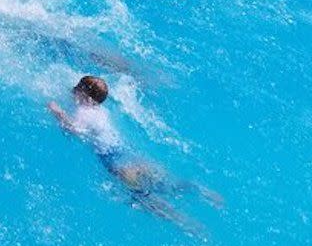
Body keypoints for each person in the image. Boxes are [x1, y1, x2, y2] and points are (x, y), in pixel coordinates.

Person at [47, 76, 222, 231]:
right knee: (168, 187)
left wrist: (57, 112)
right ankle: (199, 190)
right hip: (130, 157)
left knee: (144, 199)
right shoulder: (102, 111)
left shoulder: (84, 112)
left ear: (84, 95)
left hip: (118, 166)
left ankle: (186, 224)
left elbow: (74, 130)